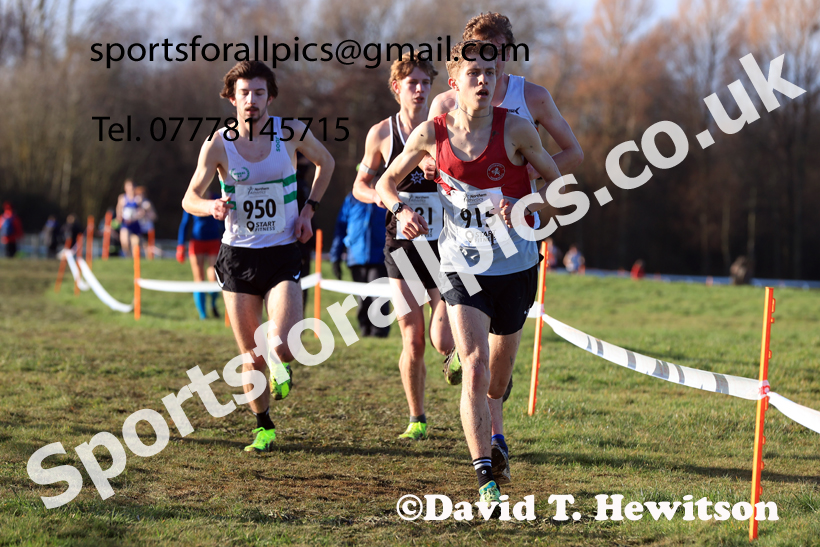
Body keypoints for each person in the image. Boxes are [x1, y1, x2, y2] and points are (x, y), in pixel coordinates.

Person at [376, 40, 562, 504]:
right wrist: (399, 210)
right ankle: (486, 479)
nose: (483, 81)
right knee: (475, 367)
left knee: (498, 380)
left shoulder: (517, 129)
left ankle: (496, 434)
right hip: (461, 266)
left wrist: (524, 203)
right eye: (473, 73)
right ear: (454, 83)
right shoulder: (431, 133)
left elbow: (559, 186)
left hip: (515, 265)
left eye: (490, 74)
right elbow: (383, 182)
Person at [428, 12, 584, 475]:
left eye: (494, 53)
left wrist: (523, 176)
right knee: (448, 343)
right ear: (460, 64)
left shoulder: (531, 97)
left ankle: (495, 428)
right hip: (461, 242)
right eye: (475, 54)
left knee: (498, 367)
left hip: (514, 238)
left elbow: (573, 153)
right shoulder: (445, 103)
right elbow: (431, 155)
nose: (485, 65)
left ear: (506, 55)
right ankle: (489, 447)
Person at [182, 60, 334, 453]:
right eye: (245, 93)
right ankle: (263, 425)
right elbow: (189, 198)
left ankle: (280, 361)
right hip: (238, 258)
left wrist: (307, 210)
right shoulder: (218, 143)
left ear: (270, 96)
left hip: (282, 251)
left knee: (283, 344)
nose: (252, 100)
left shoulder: (291, 132)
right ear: (232, 97)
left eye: (260, 92)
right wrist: (210, 207)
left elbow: (327, 162)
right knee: (251, 357)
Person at [352, 51, 454, 440]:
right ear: (396, 87)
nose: (420, 89)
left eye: (426, 83)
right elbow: (360, 184)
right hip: (402, 243)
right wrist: (385, 197)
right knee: (411, 336)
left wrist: (441, 171)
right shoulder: (381, 133)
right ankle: (417, 418)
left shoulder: (444, 129)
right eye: (412, 83)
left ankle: (457, 355)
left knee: (441, 337)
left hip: (444, 243)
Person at [329, 191, 390, 338]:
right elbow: (341, 227)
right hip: (356, 256)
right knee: (362, 297)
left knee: (378, 296)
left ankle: (379, 331)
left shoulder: (386, 195)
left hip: (380, 255)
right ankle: (364, 328)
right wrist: (335, 256)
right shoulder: (351, 199)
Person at [177, 194, 224, 319]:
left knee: (214, 277)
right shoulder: (193, 200)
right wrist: (180, 245)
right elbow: (185, 223)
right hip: (197, 242)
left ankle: (213, 304)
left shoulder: (216, 198)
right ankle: (203, 315)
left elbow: (224, 220)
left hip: (214, 241)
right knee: (199, 279)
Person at [116, 180, 142, 257]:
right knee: (125, 242)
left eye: (131, 186)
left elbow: (142, 211)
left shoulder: (138, 198)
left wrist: (135, 217)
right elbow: (118, 208)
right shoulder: (122, 198)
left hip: (135, 223)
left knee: (135, 243)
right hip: (125, 223)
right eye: (128, 186)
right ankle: (128, 257)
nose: (130, 188)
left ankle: (135, 259)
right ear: (125, 188)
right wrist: (119, 216)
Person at [135, 186, 158, 255]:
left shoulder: (147, 204)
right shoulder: (134, 203)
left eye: (141, 194)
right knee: (136, 244)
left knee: (148, 247)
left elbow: (155, 217)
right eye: (138, 194)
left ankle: (149, 260)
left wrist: (146, 212)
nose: (140, 196)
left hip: (147, 228)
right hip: (138, 228)